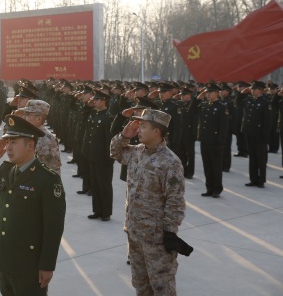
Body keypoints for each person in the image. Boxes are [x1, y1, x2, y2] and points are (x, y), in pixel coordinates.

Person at [0, 114, 65, 296]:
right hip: (4, 257)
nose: (8, 148)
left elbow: (54, 227)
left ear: (30, 145)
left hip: (28, 264)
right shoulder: (6, 171)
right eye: (7, 142)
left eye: (14, 142)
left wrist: (47, 265)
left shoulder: (47, 180)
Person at [110, 109, 191, 296]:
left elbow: (175, 201)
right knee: (140, 284)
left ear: (157, 131)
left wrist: (170, 232)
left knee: (162, 286)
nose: (138, 130)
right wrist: (123, 136)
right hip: (134, 232)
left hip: (156, 238)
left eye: (143, 126)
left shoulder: (170, 162)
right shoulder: (136, 152)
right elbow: (114, 152)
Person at [82, 90, 114, 221]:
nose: (93, 101)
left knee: (104, 185)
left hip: (103, 157)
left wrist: (109, 158)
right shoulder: (93, 114)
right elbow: (86, 130)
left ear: (103, 101)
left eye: (96, 100)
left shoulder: (108, 117)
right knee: (95, 184)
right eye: (93, 99)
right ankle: (97, 210)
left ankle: (105, 212)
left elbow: (109, 140)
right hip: (92, 155)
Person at [237, 81, 273, 187]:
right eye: (251, 89)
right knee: (252, 157)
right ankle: (253, 179)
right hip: (249, 132)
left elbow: (268, 122)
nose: (252, 90)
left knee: (260, 158)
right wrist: (243, 92)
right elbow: (237, 102)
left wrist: (265, 136)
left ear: (260, 90)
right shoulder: (249, 100)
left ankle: (261, 180)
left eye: (254, 89)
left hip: (260, 135)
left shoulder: (266, 102)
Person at [196, 83, 229, 197]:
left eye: (210, 92)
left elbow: (223, 127)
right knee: (207, 166)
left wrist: (221, 142)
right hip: (205, 140)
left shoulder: (221, 107)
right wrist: (198, 98)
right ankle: (209, 188)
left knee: (216, 167)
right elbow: (192, 111)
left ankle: (217, 189)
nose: (208, 94)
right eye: (207, 92)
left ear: (217, 93)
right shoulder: (204, 105)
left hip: (215, 142)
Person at [15, 99, 61, 174]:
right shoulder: (31, 134)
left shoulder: (45, 139)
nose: (23, 117)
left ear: (38, 118)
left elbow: (51, 171)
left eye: (27, 115)